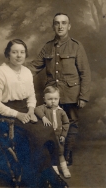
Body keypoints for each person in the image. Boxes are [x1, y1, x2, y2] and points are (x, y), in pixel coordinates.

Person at [0, 39, 69, 188]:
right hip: (7, 115)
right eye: (14, 52)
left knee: (47, 129)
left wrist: (32, 110)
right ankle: (44, 179)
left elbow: (31, 95)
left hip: (26, 110)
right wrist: (18, 115)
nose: (18, 56)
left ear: (25, 54)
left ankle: (51, 174)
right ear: (8, 54)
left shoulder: (26, 72)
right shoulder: (0, 73)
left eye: (22, 52)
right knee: (34, 136)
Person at [27, 13, 91, 166]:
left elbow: (85, 73)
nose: (60, 26)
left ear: (69, 26)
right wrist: (15, 73)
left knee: (71, 124)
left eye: (64, 23)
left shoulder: (76, 46)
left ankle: (67, 154)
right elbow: (34, 66)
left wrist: (83, 97)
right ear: (53, 26)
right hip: (52, 96)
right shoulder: (48, 46)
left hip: (72, 95)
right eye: (57, 23)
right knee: (51, 124)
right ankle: (56, 155)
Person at [35, 86, 71, 178]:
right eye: (50, 99)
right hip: (48, 136)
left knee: (60, 152)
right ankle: (54, 172)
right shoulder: (43, 108)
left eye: (55, 99)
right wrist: (43, 117)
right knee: (51, 153)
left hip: (58, 136)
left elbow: (66, 123)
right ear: (44, 99)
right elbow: (36, 109)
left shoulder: (61, 111)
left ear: (59, 99)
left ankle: (64, 168)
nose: (53, 101)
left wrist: (63, 135)